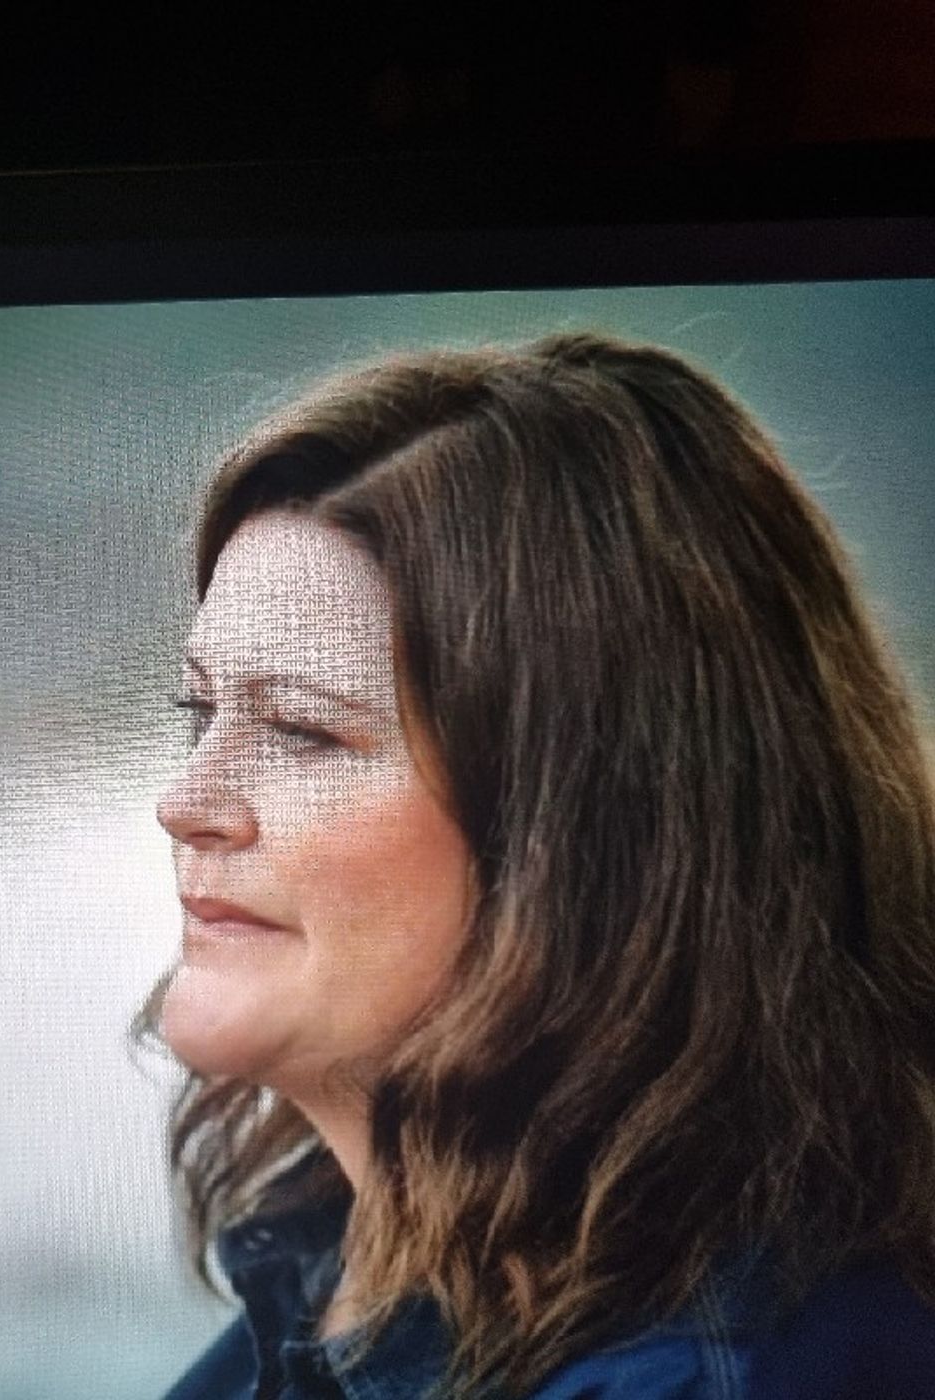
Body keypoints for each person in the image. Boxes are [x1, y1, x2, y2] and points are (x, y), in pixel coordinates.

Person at [135, 332, 935, 1398]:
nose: (183, 803)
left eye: (301, 730)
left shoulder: (713, 1376)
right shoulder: (340, 1272)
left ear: (595, 829)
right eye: (202, 710)